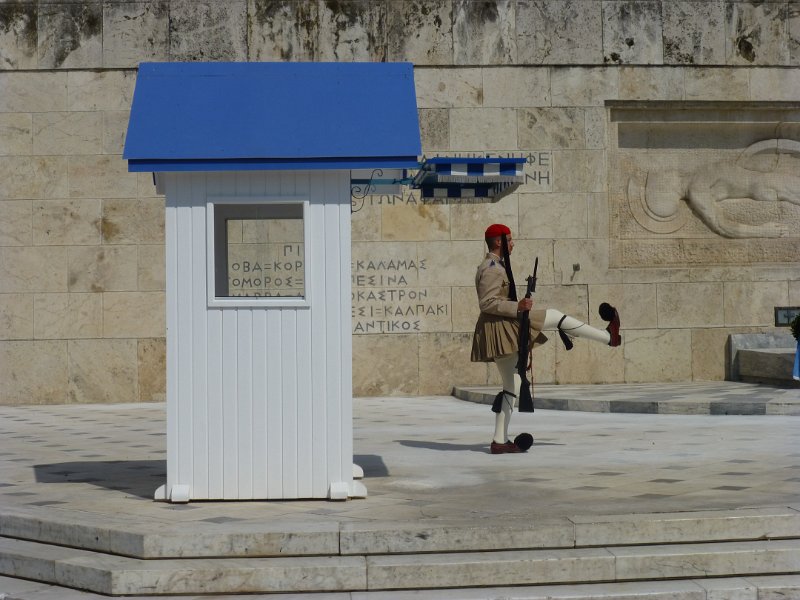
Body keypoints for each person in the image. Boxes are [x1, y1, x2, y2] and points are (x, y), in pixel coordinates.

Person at [471, 224, 621, 455]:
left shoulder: (497, 265)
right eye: (509, 240)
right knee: (554, 316)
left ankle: (499, 441)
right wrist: (518, 305)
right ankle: (607, 337)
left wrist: (517, 304)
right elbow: (487, 303)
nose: (513, 243)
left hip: (501, 326)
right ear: (498, 242)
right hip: (500, 327)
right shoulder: (491, 268)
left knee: (512, 385)